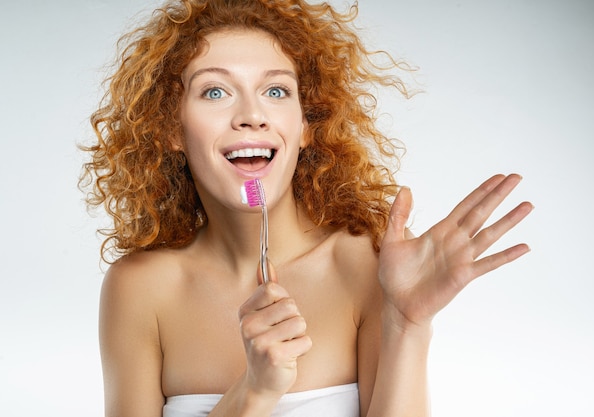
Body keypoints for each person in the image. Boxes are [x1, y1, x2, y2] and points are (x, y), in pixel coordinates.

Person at [80, 0, 533, 416]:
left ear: (305, 126)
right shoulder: (139, 289)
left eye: (275, 92)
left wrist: (407, 324)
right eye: (215, 92)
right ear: (170, 128)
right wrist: (254, 392)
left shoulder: (367, 265)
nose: (251, 114)